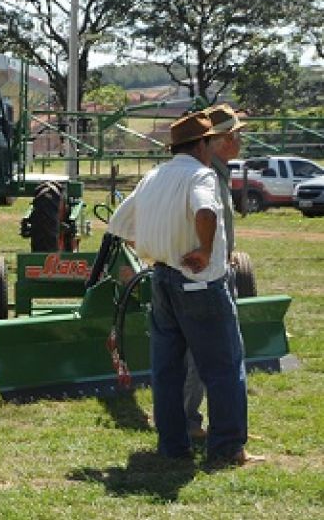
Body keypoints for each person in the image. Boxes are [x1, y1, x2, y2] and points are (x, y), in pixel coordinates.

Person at [107, 112, 262, 467]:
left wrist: (157, 247)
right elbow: (206, 211)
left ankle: (173, 446)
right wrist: (205, 250)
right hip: (200, 282)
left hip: (160, 279)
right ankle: (227, 448)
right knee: (224, 366)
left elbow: (120, 223)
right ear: (202, 144)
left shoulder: (154, 177)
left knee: (167, 370)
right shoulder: (201, 175)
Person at [184, 104, 247, 441]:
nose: (240, 140)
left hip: (213, 268)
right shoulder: (206, 176)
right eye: (236, 134)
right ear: (220, 139)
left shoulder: (217, 172)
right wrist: (211, 255)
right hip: (206, 275)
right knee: (206, 352)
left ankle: (191, 421)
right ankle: (191, 422)